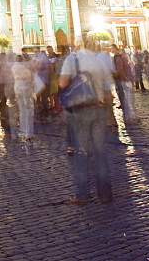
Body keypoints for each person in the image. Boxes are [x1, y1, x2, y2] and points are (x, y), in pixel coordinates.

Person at [59, 35, 114, 206]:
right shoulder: (99, 60)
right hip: (98, 108)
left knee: (81, 153)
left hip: (81, 109)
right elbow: (108, 89)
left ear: (77, 45)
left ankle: (82, 194)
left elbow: (62, 83)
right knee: (100, 152)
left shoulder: (72, 59)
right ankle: (105, 193)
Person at [11, 54, 35, 141]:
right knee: (28, 109)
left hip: (17, 88)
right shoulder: (26, 68)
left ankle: (23, 131)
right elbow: (30, 77)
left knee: (21, 110)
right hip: (26, 88)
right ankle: (29, 132)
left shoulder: (14, 67)